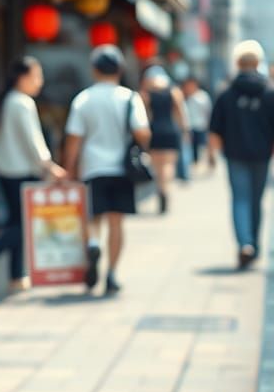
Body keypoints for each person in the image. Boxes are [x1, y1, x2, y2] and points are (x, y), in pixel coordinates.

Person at [0, 57, 66, 295]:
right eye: (36, 76)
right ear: (22, 77)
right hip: (21, 171)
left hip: (5, 169)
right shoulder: (22, 103)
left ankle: (16, 276)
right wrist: (49, 166)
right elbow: (33, 141)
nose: (40, 82)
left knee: (16, 221)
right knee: (22, 223)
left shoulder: (7, 101)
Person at [63, 45, 150, 294]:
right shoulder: (130, 98)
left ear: (94, 70)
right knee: (116, 223)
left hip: (93, 167)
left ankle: (92, 244)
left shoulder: (84, 99)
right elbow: (143, 133)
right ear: (120, 70)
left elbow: (73, 140)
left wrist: (69, 169)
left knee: (92, 218)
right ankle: (111, 274)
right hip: (122, 169)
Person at [209, 40, 274, 269]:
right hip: (262, 155)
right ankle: (253, 243)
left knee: (240, 199)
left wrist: (211, 156)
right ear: (258, 62)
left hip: (235, 154)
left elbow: (215, 129)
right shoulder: (269, 91)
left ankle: (245, 243)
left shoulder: (226, 93)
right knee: (257, 200)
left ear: (237, 63)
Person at [140, 62, 187, 213]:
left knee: (156, 165)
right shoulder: (174, 92)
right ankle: (165, 189)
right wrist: (184, 130)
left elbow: (144, 116)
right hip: (170, 130)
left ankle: (160, 189)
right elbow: (180, 113)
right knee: (168, 165)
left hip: (154, 131)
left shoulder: (146, 95)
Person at [182, 77, 214, 167]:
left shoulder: (202, 96)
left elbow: (208, 111)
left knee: (202, 146)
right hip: (189, 126)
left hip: (201, 125)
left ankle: (205, 162)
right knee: (192, 146)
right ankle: (194, 163)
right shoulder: (184, 96)